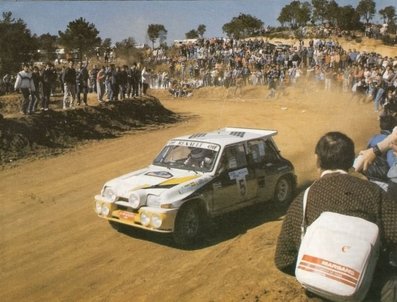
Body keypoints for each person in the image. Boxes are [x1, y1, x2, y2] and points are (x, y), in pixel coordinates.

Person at [275, 131, 397, 301]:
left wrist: (320, 275)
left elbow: (283, 259)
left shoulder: (303, 201)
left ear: (318, 160)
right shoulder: (373, 193)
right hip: (368, 292)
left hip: (321, 295)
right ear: (351, 160)